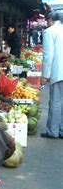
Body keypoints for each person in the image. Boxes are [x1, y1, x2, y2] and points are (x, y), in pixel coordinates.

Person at [41, 11, 63, 139]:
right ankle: (61, 130)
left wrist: (45, 75)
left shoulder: (50, 32)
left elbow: (48, 56)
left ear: (50, 20)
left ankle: (52, 131)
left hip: (58, 72)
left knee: (55, 101)